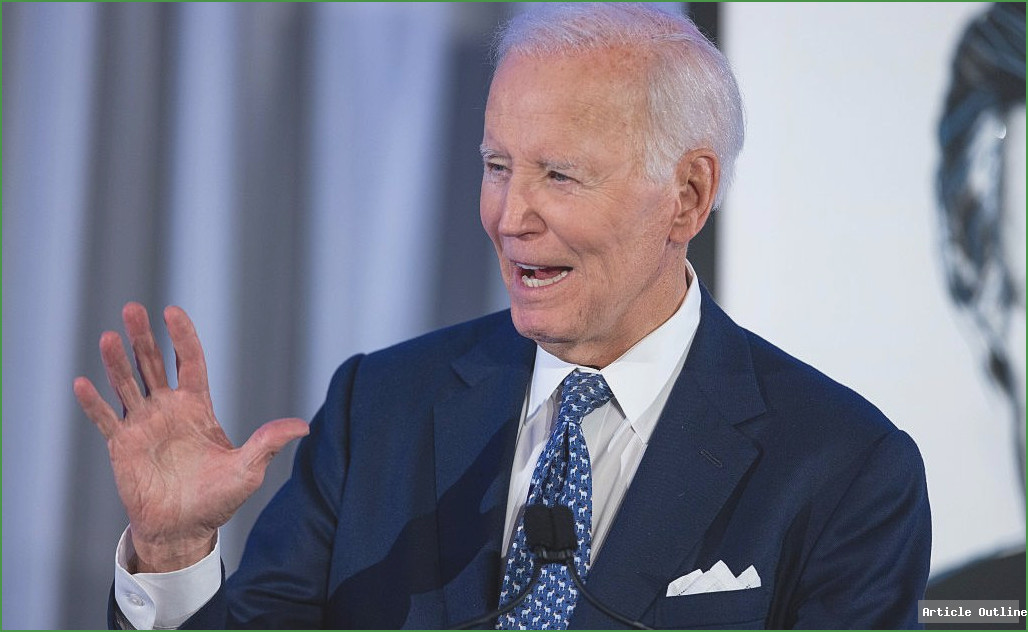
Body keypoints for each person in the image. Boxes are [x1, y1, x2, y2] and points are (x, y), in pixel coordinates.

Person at [75, 4, 931, 629]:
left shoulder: (845, 468)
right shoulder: (383, 405)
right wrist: (174, 554)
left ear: (688, 196)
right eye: (495, 165)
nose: (508, 214)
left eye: (559, 175)